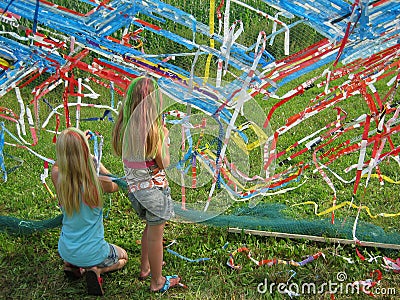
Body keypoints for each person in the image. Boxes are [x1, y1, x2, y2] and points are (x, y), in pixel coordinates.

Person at [112, 76, 184, 293]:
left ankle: (145, 267)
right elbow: (165, 163)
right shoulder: (157, 131)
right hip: (155, 192)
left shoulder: (124, 128)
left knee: (149, 228)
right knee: (156, 236)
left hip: (136, 191)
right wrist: (167, 139)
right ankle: (157, 281)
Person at [51, 127, 128, 296]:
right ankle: (95, 271)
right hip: (94, 253)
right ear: (85, 152)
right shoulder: (98, 183)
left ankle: (71, 264)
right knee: (123, 257)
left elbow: (59, 163)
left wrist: (72, 145)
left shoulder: (56, 176)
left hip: (66, 249)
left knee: (76, 255)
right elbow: (115, 182)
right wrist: (93, 159)